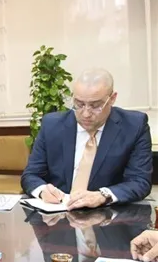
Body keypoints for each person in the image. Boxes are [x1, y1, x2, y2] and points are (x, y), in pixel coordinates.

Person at [21, 68, 153, 210]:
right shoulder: (51, 125)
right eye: (79, 104)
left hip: (108, 215)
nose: (85, 114)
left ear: (112, 98)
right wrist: (42, 190)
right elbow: (31, 175)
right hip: (57, 213)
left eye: (95, 106)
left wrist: (103, 195)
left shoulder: (134, 126)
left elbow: (140, 181)